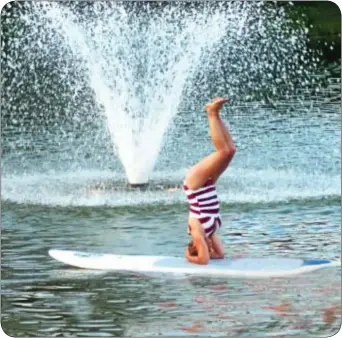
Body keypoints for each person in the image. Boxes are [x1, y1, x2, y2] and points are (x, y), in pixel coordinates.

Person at [184, 97, 236, 265]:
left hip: (195, 186)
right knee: (230, 151)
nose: (208, 246)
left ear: (196, 245)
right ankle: (217, 114)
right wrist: (211, 251)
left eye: (203, 246)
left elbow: (203, 260)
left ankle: (211, 112)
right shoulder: (211, 231)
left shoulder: (196, 231)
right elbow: (220, 255)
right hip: (208, 185)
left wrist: (189, 257)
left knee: (221, 152)